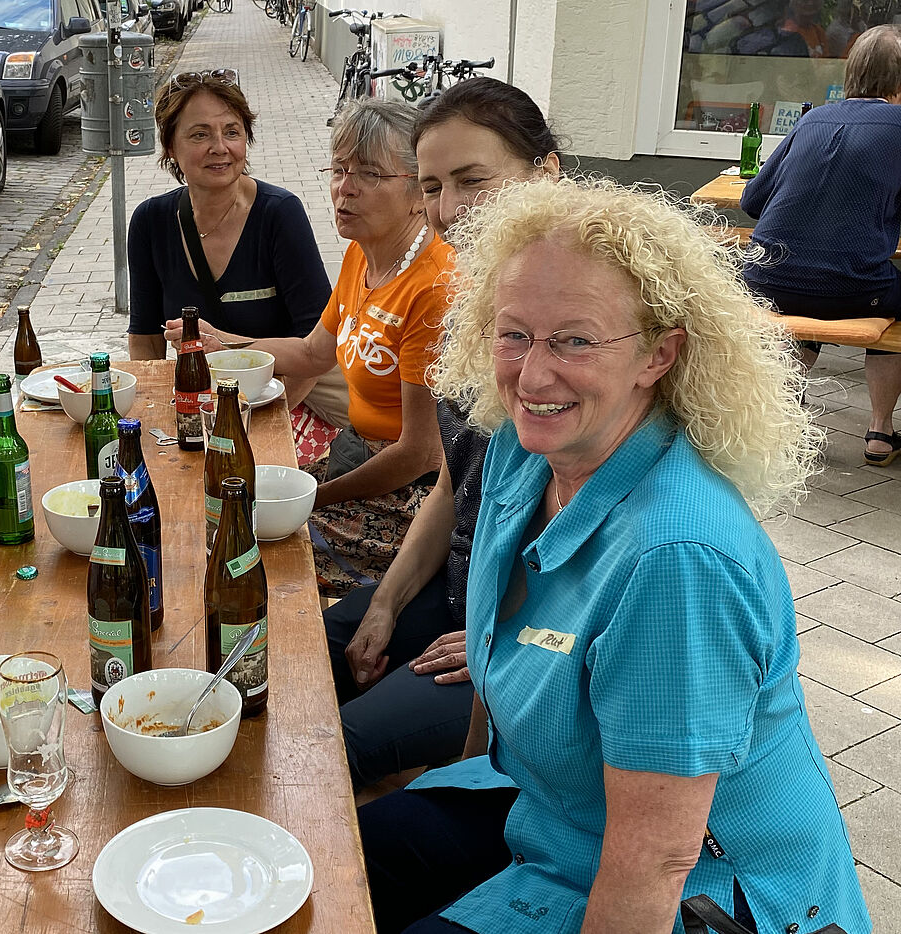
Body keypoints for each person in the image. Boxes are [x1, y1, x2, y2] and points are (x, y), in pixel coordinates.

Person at [358, 176, 870, 934]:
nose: (533, 375)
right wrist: (461, 780)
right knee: (333, 860)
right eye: (514, 333)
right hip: (553, 814)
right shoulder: (519, 454)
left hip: (703, 892)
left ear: (659, 354)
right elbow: (495, 687)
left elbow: (658, 861)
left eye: (576, 340)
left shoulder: (677, 559)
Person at [327, 78, 560, 790]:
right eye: (433, 186)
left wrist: (502, 636)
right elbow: (460, 483)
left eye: (472, 180)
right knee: (300, 652)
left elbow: (603, 530)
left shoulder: (579, 322)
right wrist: (387, 603)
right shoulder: (477, 302)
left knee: (334, 747)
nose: (449, 209)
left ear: (546, 173)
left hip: (543, 634)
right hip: (462, 586)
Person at [169, 98, 451, 596]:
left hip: (414, 496)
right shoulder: (362, 255)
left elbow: (421, 453)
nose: (345, 188)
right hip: (358, 455)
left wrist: (313, 498)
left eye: (369, 174)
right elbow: (313, 353)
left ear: (418, 192)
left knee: (244, 545)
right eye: (339, 170)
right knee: (215, 507)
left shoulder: (433, 287)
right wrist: (224, 344)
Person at [126, 68, 348, 444]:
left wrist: (258, 429)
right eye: (200, 134)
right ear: (170, 147)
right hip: (200, 401)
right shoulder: (150, 221)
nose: (220, 147)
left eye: (232, 131)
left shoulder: (279, 213)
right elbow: (146, 341)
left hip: (287, 400)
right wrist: (154, 414)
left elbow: (317, 345)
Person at [741, 24, 901, 465]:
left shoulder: (811, 120)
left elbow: (752, 201)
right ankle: (880, 431)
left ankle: (784, 414)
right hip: (852, 290)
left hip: (766, 281)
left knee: (813, 282)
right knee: (865, 288)